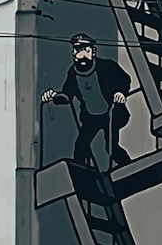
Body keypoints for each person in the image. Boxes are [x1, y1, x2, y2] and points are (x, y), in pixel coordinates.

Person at [46, 34, 132, 173]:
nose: (83, 55)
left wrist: (120, 92)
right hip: (91, 117)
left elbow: (125, 79)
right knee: (80, 147)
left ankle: (128, 169)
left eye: (86, 50)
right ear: (73, 54)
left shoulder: (107, 66)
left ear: (93, 51)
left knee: (111, 147)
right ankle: (84, 178)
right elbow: (67, 94)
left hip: (111, 113)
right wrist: (54, 96)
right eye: (79, 51)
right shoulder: (73, 73)